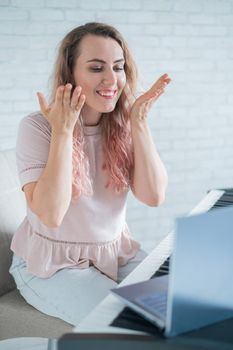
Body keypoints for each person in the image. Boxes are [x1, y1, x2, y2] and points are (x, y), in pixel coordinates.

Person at [9, 22, 171, 326]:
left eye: (118, 67)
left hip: (115, 255)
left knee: (183, 304)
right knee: (132, 322)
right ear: (71, 74)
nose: (112, 79)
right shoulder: (37, 128)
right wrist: (63, 130)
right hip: (50, 267)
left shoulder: (122, 124)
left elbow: (154, 196)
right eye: (96, 68)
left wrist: (138, 122)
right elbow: (51, 213)